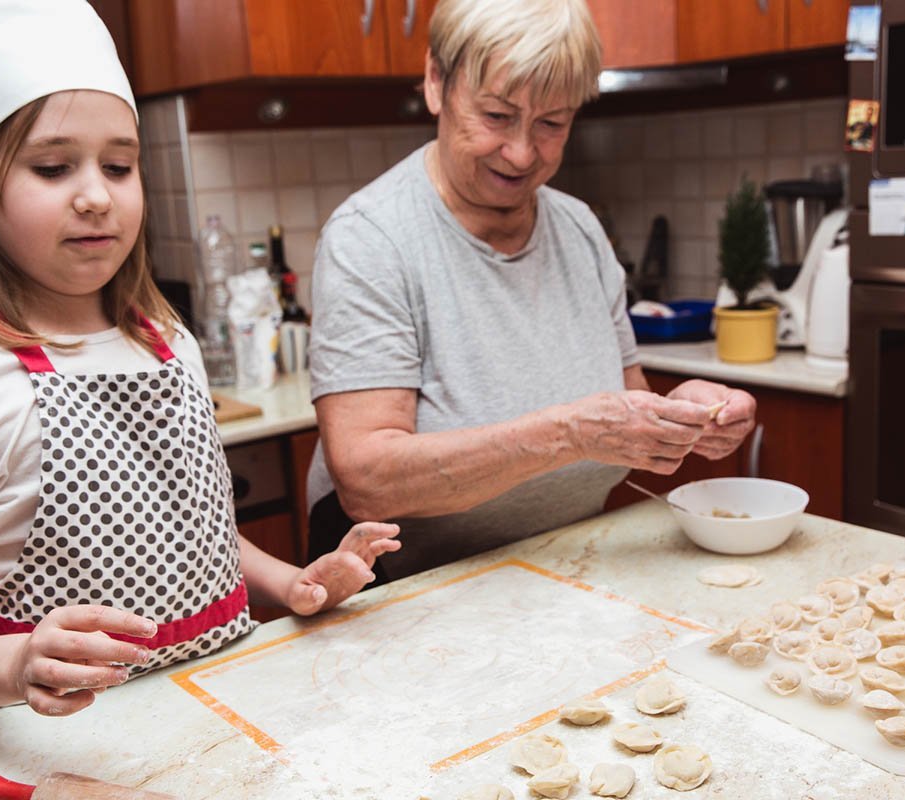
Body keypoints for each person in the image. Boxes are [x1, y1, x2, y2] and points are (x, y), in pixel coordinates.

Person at [0, 0, 399, 726]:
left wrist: (295, 582)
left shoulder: (166, 341)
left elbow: (198, 536)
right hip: (58, 746)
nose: (95, 196)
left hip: (226, 716)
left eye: (119, 165)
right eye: (53, 168)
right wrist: (16, 662)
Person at [306, 0, 755, 581]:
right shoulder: (370, 239)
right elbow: (368, 481)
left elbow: (624, 403)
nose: (522, 153)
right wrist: (565, 434)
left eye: (552, 123)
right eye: (496, 115)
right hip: (408, 593)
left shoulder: (579, 229)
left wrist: (684, 416)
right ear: (437, 83)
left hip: (556, 569)